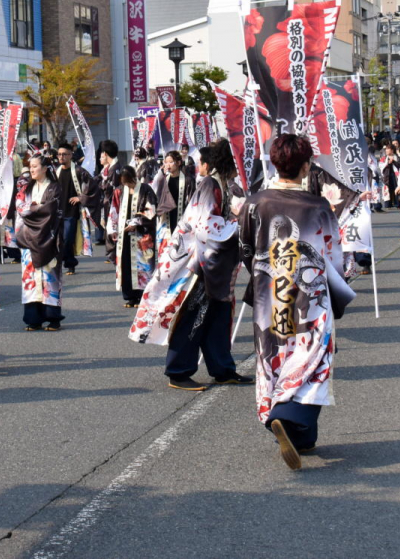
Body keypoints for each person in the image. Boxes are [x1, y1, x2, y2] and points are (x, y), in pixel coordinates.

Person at [238, 134, 356, 470]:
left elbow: (245, 248)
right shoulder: (317, 206)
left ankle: (301, 436)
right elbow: (333, 255)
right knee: (313, 356)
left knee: (275, 354)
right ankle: (289, 416)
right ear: (306, 167)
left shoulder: (254, 203)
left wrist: (261, 274)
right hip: (310, 295)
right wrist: (339, 292)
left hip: (269, 294)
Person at [131, 140, 251, 390]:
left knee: (218, 316)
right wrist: (236, 226)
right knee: (193, 315)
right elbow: (205, 225)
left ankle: (222, 368)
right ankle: (179, 370)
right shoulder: (210, 185)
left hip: (214, 261)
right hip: (198, 262)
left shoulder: (222, 185)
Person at [15, 155, 65, 331]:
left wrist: (31, 210)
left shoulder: (54, 188)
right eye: (30, 166)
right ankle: (33, 319)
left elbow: (50, 210)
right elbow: (19, 206)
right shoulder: (27, 188)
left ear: (45, 168)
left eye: (35, 166)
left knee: (49, 278)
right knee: (30, 279)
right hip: (29, 238)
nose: (32, 169)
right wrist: (30, 210)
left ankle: (53, 318)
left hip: (48, 237)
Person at [107, 166, 156, 308]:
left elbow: (151, 209)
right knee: (126, 263)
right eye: (125, 183)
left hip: (141, 234)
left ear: (134, 178)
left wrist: (136, 222)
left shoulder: (145, 189)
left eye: (129, 182)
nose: (128, 185)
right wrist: (113, 229)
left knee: (142, 264)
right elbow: (114, 210)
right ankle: (129, 296)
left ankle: (142, 295)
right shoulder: (119, 191)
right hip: (124, 234)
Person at [55, 143, 93, 275]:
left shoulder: (79, 171)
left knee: (68, 239)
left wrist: (80, 198)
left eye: (64, 154)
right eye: (59, 154)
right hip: (57, 212)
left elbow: (92, 186)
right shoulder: (56, 172)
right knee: (58, 240)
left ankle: (70, 264)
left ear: (71, 155)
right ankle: (61, 263)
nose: (61, 157)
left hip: (71, 211)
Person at [151, 151, 196, 259]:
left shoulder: (188, 180)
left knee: (180, 251)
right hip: (166, 217)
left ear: (179, 163)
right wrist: (160, 174)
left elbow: (192, 201)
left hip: (181, 217)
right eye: (166, 162)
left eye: (171, 162)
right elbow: (153, 191)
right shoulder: (163, 179)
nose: (168, 165)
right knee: (165, 251)